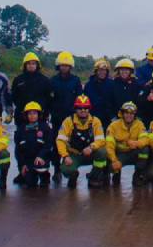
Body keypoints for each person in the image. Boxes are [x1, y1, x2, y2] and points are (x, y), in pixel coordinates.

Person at [55, 95, 109, 188]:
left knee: (102, 152)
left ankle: (94, 176)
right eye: (80, 108)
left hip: (90, 153)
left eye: (86, 108)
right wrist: (65, 156)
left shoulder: (95, 121)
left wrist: (91, 147)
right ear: (75, 109)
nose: (83, 110)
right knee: (67, 170)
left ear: (89, 109)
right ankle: (73, 177)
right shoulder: (68, 121)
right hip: (74, 155)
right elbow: (60, 140)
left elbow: (101, 140)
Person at [48, 52, 84, 181]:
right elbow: (49, 99)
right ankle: (57, 170)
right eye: (62, 65)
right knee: (56, 143)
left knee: (71, 144)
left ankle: (70, 169)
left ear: (71, 67)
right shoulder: (53, 80)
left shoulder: (76, 80)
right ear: (58, 66)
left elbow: (80, 99)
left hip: (71, 119)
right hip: (57, 118)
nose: (64, 67)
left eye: (67, 65)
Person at [106, 101, 150, 185]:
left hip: (133, 153)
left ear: (135, 115)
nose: (129, 115)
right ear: (122, 114)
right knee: (111, 167)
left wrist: (136, 143)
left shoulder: (140, 124)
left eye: (132, 113)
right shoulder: (113, 126)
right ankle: (113, 174)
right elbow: (109, 145)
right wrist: (114, 160)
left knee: (145, 150)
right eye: (126, 113)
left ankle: (138, 174)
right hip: (119, 154)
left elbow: (145, 139)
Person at [13, 101, 53, 188]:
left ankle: (44, 176)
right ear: (26, 115)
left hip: (41, 158)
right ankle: (27, 174)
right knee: (30, 183)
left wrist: (41, 156)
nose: (32, 116)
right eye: (30, 114)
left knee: (41, 168)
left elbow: (48, 145)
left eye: (34, 113)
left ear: (39, 114)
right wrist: (22, 165)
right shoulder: (21, 129)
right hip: (28, 161)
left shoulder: (45, 128)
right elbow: (18, 150)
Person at [11, 51, 53, 127]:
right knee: (21, 137)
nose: (31, 65)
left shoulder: (45, 80)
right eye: (28, 63)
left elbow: (49, 99)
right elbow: (14, 97)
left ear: (37, 65)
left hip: (40, 117)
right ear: (25, 65)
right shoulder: (18, 80)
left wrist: (46, 113)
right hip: (21, 116)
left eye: (33, 63)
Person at [83, 59, 116, 127]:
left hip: (109, 119)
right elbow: (86, 103)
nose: (102, 72)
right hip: (93, 118)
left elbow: (115, 101)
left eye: (104, 70)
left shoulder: (112, 84)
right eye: (100, 70)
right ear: (96, 71)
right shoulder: (88, 85)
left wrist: (113, 117)